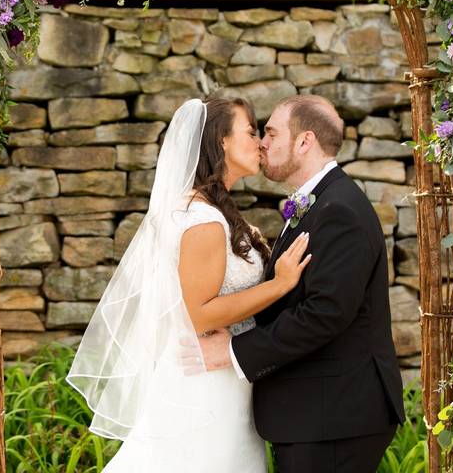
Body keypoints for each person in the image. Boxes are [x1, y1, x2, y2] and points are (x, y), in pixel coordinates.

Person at [67, 97, 310, 473]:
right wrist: (279, 286)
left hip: (223, 379)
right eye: (250, 131)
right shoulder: (203, 220)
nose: (260, 142)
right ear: (222, 141)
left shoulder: (209, 210)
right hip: (203, 387)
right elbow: (198, 314)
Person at [198, 95, 405, 473]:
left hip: (335, 415)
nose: (263, 142)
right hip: (319, 413)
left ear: (304, 142)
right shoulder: (321, 201)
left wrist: (235, 351)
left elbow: (325, 313)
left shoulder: (339, 209)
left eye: (272, 133)